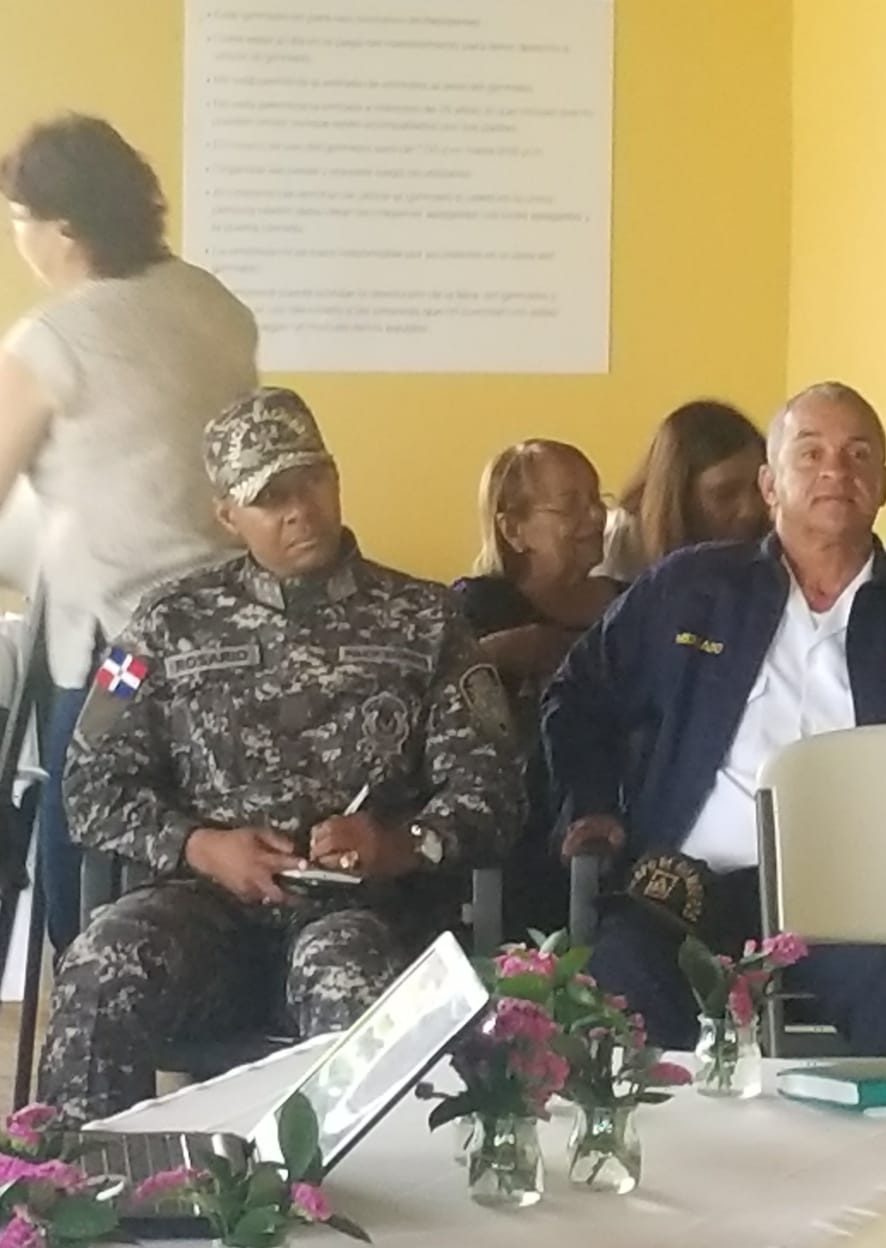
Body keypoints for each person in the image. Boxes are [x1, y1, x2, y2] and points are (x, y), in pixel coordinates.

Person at [37, 388, 525, 1120]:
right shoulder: (167, 623)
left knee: (353, 990)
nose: (300, 510)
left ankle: (360, 1194)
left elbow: (493, 790)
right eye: (270, 498)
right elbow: (91, 781)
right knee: (101, 966)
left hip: (363, 914)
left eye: (311, 481)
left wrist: (395, 843)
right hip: (203, 911)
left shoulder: (426, 620)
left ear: (335, 476)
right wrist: (201, 846)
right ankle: (86, 1181)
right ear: (227, 516)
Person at [543, 383, 886, 1050]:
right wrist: (590, 805)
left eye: (858, 455)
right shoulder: (691, 588)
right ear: (769, 484)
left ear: (882, 484)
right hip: (687, 889)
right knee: (623, 983)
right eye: (810, 453)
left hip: (856, 901)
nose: (835, 471)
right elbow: (579, 697)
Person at [0, 114, 259, 952]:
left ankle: (90, 999)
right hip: (233, 638)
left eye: (19, 220)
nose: (17, 239)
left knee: (81, 842)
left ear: (62, 229)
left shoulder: (51, 343)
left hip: (119, 651)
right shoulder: (216, 305)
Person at [454, 440, 621, 936]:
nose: (596, 516)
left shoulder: (629, 602)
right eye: (571, 505)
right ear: (514, 529)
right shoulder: (476, 608)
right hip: (521, 834)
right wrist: (504, 653)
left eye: (596, 499)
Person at [602, 400, 768, 581]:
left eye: (759, 487)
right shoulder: (613, 548)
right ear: (679, 497)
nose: (751, 510)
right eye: (725, 495)